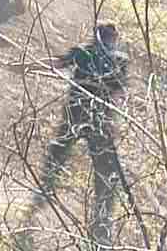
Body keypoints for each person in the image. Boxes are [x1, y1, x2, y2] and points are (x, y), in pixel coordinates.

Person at [33, 23, 129, 248]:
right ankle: (101, 226)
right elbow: (119, 94)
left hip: (79, 116)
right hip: (98, 123)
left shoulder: (85, 52)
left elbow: (56, 63)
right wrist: (117, 121)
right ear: (113, 38)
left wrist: (26, 66)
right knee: (106, 175)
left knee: (59, 155)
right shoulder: (114, 59)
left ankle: (45, 192)